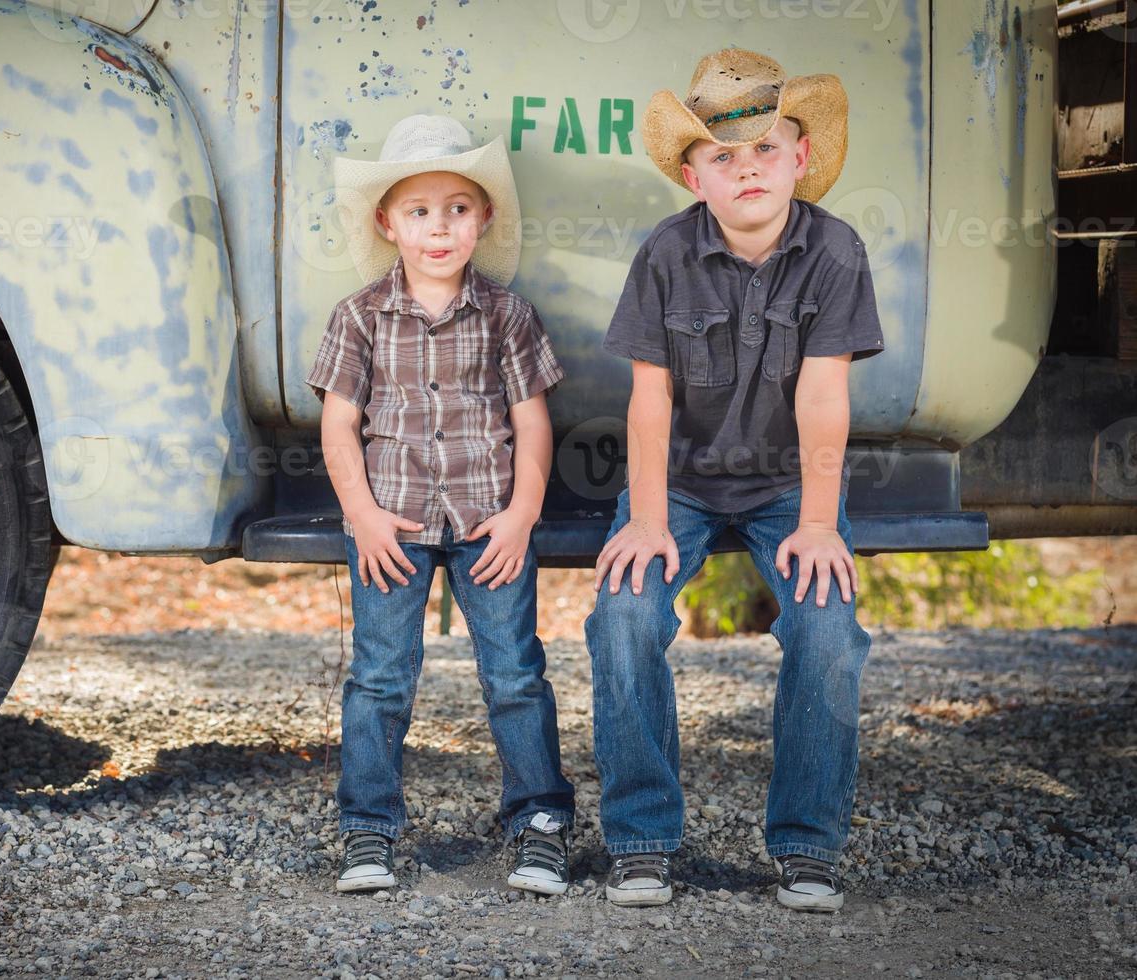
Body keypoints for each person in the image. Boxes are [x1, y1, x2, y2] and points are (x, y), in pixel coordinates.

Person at [588, 48, 886, 912]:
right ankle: (642, 839)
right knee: (622, 613)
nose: (747, 168)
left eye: (766, 149)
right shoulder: (666, 254)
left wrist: (821, 523)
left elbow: (826, 395)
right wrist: (645, 519)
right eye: (724, 156)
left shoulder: (834, 251)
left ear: (801, 157)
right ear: (693, 173)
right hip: (675, 481)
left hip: (791, 486)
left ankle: (808, 846)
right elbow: (649, 403)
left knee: (828, 627)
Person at [306, 114, 576, 896]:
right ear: (388, 222)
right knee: (381, 677)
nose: (439, 227)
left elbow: (531, 422)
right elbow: (339, 425)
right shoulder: (359, 316)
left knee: (516, 672)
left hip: (490, 522)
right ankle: (368, 830)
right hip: (390, 524)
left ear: (482, 219)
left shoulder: (506, 315)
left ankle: (539, 823)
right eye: (419, 211)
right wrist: (358, 513)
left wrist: (524, 513)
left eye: (458, 207)